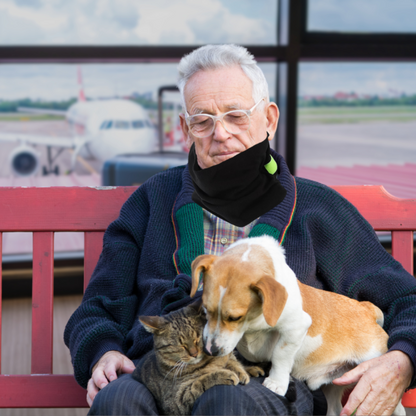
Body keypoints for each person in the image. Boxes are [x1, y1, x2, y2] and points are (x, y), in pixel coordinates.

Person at [65, 44, 416, 416]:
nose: (220, 134)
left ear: (269, 119)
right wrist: (103, 351)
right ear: (185, 129)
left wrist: (403, 359)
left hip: (264, 386)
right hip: (158, 370)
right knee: (116, 401)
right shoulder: (151, 201)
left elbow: (405, 301)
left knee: (226, 402)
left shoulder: (320, 210)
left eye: (236, 116)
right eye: (203, 120)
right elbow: (97, 307)